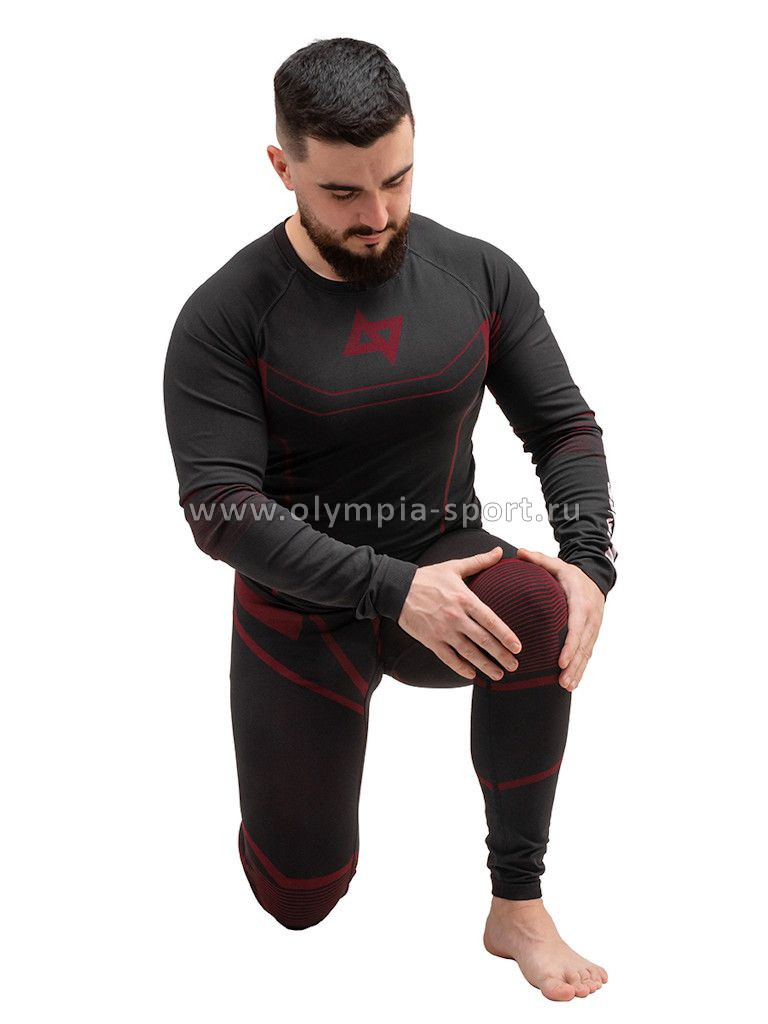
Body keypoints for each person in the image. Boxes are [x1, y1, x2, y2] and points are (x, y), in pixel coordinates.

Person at [163, 36, 618, 1002]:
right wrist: (387, 587)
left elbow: (564, 427)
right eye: (342, 193)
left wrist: (589, 563)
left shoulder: (474, 274)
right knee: (299, 899)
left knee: (542, 606)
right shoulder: (227, 315)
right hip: (301, 602)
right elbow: (221, 511)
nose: (377, 217)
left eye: (397, 180)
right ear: (282, 167)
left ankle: (518, 903)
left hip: (445, 567)